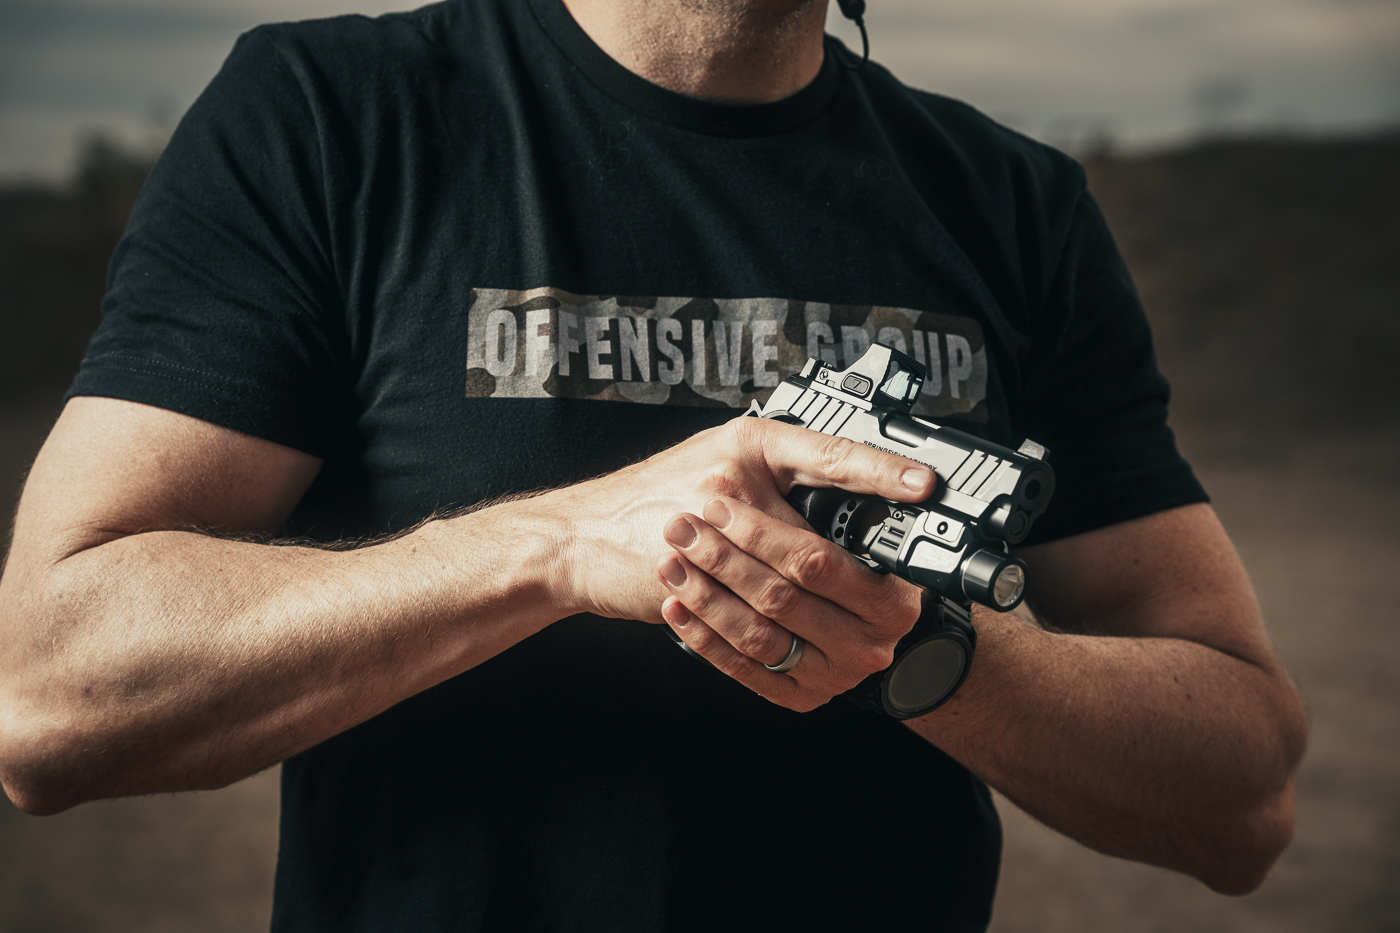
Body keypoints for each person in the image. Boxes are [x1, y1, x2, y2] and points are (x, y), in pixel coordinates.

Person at [0, 0, 1306, 928]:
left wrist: (923, 651)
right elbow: (52, 698)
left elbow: (1244, 794)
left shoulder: (1009, 202)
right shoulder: (331, 121)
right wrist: (564, 545)